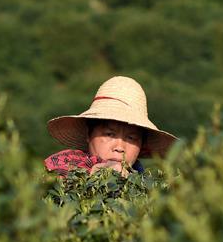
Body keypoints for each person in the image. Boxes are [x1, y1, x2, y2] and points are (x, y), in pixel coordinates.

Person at [44, 76, 177, 178]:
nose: (119, 147)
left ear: (141, 144)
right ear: (89, 134)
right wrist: (95, 172)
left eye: (131, 138)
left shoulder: (145, 183)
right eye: (109, 134)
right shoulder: (66, 163)